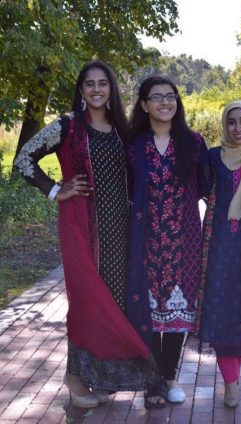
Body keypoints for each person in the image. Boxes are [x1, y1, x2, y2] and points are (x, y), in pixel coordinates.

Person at [14, 61, 157, 408]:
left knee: (113, 301)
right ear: (81, 90)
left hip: (120, 229)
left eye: (102, 84)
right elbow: (23, 159)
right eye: (89, 84)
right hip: (80, 226)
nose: (96, 89)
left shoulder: (122, 129)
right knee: (85, 301)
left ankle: (102, 377)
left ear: (111, 89)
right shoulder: (67, 126)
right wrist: (54, 189)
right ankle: (75, 378)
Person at [126, 75, 210, 408]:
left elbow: (206, 186)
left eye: (170, 96)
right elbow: (126, 189)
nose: (165, 102)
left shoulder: (193, 142)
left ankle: (169, 378)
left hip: (184, 241)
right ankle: (151, 381)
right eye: (156, 97)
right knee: (146, 311)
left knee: (177, 313)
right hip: (145, 240)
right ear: (144, 104)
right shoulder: (133, 145)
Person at [196, 100, 241, 408]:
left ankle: (234, 379)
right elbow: (192, 188)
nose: (237, 129)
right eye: (232, 122)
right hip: (219, 246)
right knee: (220, 307)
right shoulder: (213, 157)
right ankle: (231, 384)